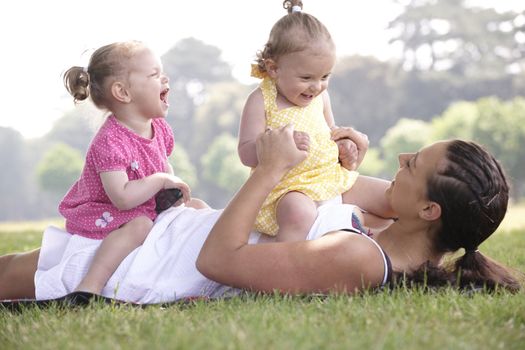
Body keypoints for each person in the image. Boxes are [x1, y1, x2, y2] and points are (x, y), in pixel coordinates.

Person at [0, 125, 521, 302]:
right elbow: (345, 177)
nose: (401, 158)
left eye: (414, 165)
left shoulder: (358, 258)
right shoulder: (388, 217)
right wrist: (334, 149)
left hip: (157, 265)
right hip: (166, 234)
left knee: (9, 273)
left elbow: (219, 261)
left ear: (429, 210)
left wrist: (268, 170)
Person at [57, 41, 205, 296]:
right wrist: (160, 180)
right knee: (140, 226)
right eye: (154, 74)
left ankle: (191, 275)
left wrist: (171, 189)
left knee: (198, 207)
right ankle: (90, 284)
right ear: (123, 92)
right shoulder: (110, 140)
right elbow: (122, 197)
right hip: (107, 211)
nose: (165, 78)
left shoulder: (159, 127)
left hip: (146, 206)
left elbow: (162, 165)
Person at [238, 0, 393, 241]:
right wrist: (280, 145)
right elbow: (246, 153)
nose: (317, 86)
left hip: (331, 178)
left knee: (391, 197)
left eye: (325, 76)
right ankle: (282, 266)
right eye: (306, 77)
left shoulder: (320, 97)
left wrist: (344, 147)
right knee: (298, 214)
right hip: (288, 189)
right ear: (274, 68)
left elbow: (331, 133)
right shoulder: (261, 100)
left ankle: (392, 251)